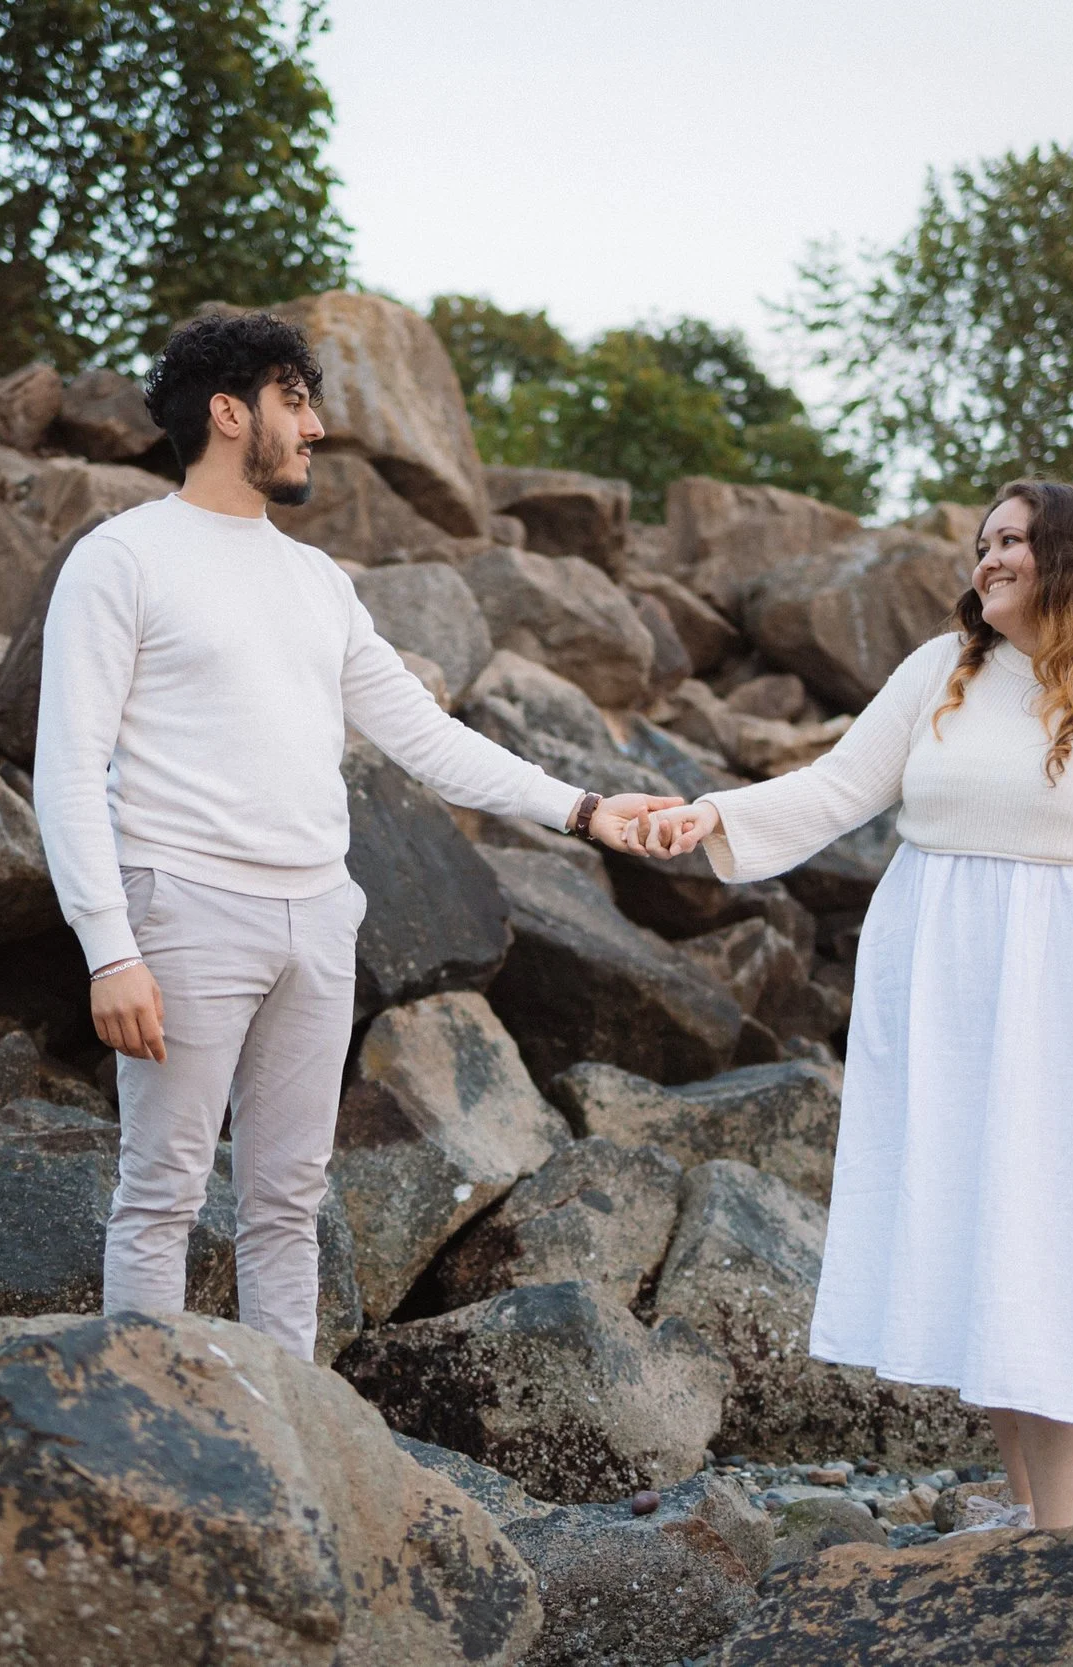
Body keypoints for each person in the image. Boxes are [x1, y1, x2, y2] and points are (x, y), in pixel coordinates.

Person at [33, 311, 677, 1363]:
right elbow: (66, 767)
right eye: (295, 401)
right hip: (182, 905)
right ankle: (139, 1419)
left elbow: (425, 735)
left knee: (289, 1199)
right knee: (161, 1192)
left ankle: (287, 1425)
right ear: (229, 413)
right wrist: (109, 948)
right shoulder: (123, 558)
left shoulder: (317, 581)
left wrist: (584, 808)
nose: (316, 427)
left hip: (320, 917)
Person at [632, 480, 1073, 1531]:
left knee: (1056, 1234)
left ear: (1071, 555)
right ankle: (1023, 1506)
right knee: (980, 1230)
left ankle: (1055, 1527)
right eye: (983, 540)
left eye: (1013, 540)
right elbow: (834, 788)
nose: (988, 556)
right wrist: (710, 816)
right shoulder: (943, 669)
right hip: (945, 994)